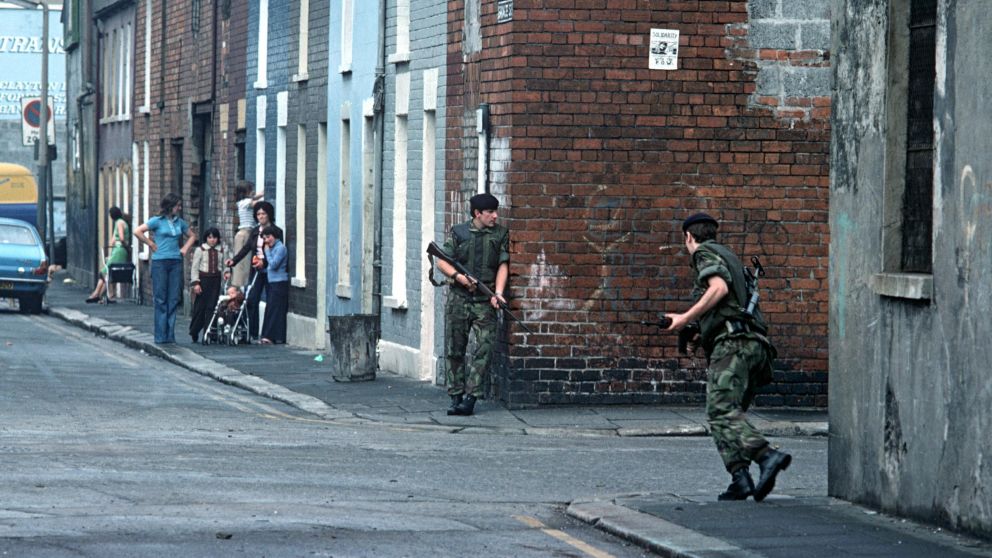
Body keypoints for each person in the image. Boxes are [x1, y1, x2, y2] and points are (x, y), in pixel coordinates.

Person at [664, 213, 790, 502]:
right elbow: (728, 302)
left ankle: (766, 455)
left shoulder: (703, 253)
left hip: (734, 345)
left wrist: (684, 319)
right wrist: (699, 331)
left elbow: (718, 288)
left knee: (720, 410)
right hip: (754, 346)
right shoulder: (729, 255)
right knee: (726, 415)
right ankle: (740, 479)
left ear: (688, 237)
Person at [433, 193, 509, 416]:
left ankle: (471, 398)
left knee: (484, 348)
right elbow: (441, 261)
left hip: (485, 300)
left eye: (496, 211)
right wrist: (459, 277)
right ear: (477, 213)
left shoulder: (501, 234)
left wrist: (498, 293)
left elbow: (503, 264)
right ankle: (455, 396)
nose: (495, 216)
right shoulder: (459, 233)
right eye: (490, 212)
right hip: (459, 298)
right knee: (454, 348)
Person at [133, 193, 197, 344]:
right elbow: (138, 231)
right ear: (170, 206)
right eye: (177, 206)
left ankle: (170, 335)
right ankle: (160, 336)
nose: (179, 208)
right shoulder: (157, 221)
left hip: (175, 262)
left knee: (173, 298)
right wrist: (150, 244)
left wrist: (184, 249)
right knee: (161, 299)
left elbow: (192, 236)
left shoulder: (179, 222)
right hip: (159, 262)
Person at [225, 201, 282, 341]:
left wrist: (265, 262)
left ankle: (268, 335)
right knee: (251, 298)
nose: (261, 216)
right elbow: (247, 248)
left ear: (269, 215)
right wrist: (234, 261)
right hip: (256, 269)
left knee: (271, 300)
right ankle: (252, 332)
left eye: (263, 213)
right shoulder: (255, 231)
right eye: (258, 214)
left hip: (270, 270)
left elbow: (278, 251)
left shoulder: (276, 231)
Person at [188, 227, 230, 343]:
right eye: (210, 237)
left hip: (215, 281)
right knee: (200, 308)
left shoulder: (221, 250)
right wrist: (196, 283)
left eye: (214, 237)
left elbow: (225, 264)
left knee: (213, 307)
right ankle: (194, 331)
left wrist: (226, 272)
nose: (212, 240)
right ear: (206, 238)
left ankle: (210, 332)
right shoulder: (200, 250)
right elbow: (195, 268)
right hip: (203, 280)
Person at [86, 206, 131, 303]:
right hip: (118, 250)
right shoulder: (122, 222)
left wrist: (125, 246)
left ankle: (96, 294)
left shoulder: (119, 223)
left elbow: (121, 238)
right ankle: (104, 295)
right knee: (109, 273)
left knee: (104, 271)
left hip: (119, 250)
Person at [258, 225, 288, 345]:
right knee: (270, 309)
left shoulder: (281, 248)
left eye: (269, 237)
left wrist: (266, 252)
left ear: (274, 236)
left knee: (274, 310)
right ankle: (270, 336)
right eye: (265, 238)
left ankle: (270, 336)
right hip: (272, 282)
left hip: (279, 282)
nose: (267, 240)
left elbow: (274, 264)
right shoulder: (272, 248)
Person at [231, 181, 264, 287]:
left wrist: (261, 193)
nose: (253, 192)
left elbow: (256, 197)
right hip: (245, 234)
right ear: (245, 192)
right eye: (250, 190)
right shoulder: (245, 202)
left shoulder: (243, 201)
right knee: (243, 264)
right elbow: (257, 203)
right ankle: (239, 288)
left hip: (249, 233)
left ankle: (244, 286)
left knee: (247, 263)